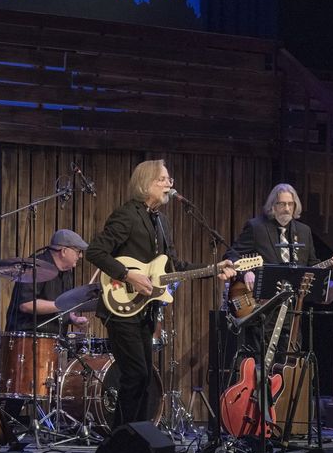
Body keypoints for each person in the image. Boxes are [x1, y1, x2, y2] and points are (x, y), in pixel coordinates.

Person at [85, 160, 233, 428]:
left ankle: (136, 440)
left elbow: (175, 267)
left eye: (170, 180)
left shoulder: (162, 222)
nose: (169, 184)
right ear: (146, 183)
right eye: (163, 179)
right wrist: (128, 274)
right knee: (136, 374)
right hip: (120, 308)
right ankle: (121, 441)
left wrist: (214, 268)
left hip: (145, 311)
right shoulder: (127, 215)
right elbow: (95, 251)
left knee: (143, 379)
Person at [225, 183, 333, 355]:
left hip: (292, 309)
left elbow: (313, 266)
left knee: (288, 358)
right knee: (261, 358)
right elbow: (231, 254)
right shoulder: (256, 227)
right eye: (282, 204)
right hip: (261, 307)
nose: (286, 208)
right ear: (273, 206)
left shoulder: (304, 231)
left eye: (290, 204)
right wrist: (246, 273)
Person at [5, 228, 90, 335]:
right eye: (78, 251)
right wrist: (63, 304)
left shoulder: (67, 272)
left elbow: (58, 309)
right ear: (64, 251)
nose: (81, 256)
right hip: (28, 338)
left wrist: (73, 319)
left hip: (56, 339)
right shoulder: (36, 266)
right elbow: (26, 304)